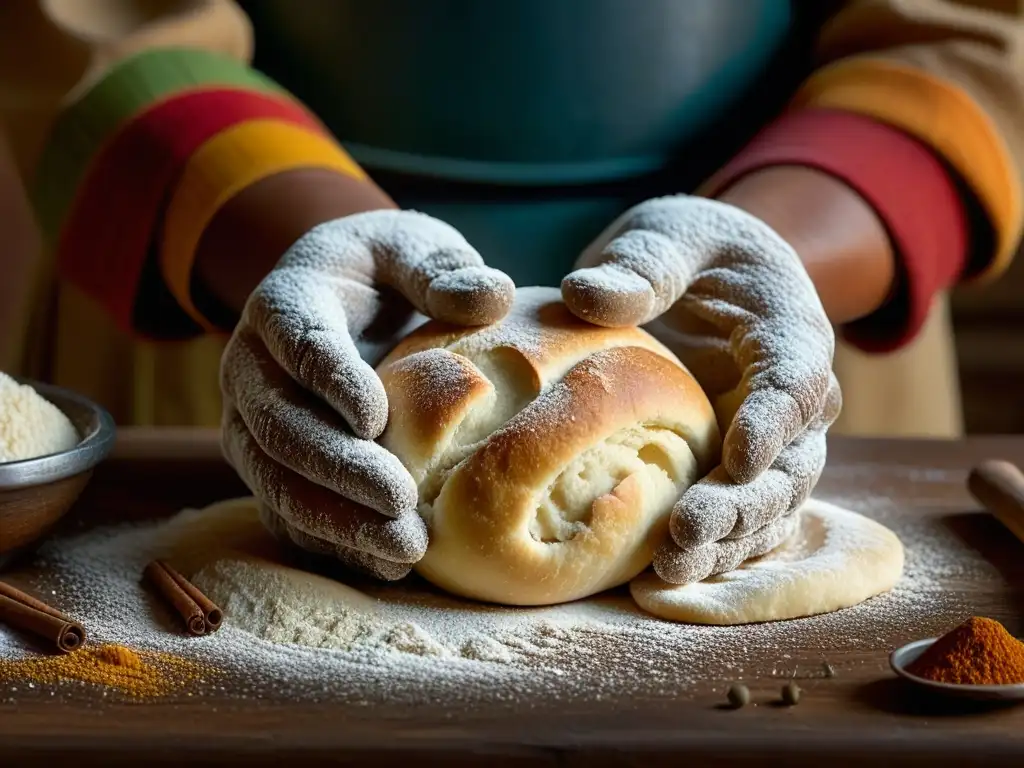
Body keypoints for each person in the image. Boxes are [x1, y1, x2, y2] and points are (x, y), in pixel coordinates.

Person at [1, 0, 1021, 583]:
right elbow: (96, 26)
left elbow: (973, 30)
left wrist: (765, 253)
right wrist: (313, 247)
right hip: (256, 312)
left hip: (779, 321)